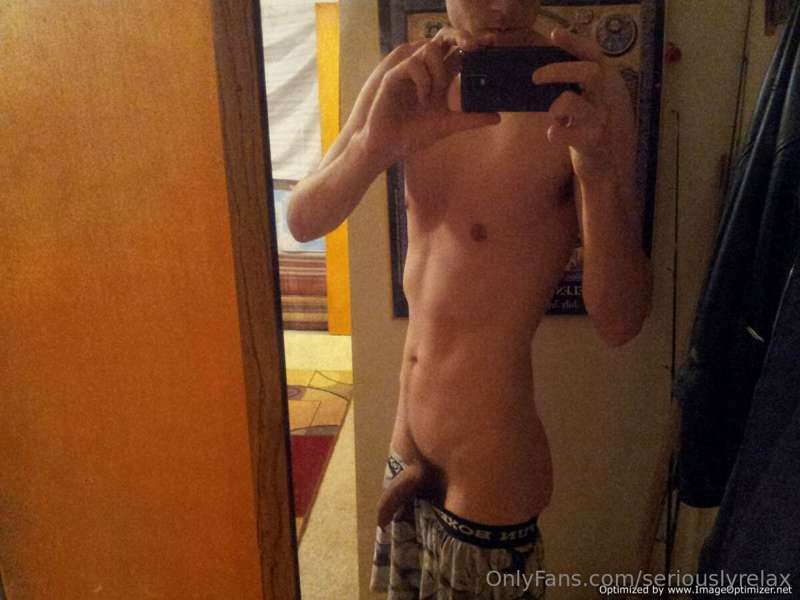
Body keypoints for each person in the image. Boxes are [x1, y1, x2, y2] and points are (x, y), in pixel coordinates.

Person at [286, 0, 652, 597]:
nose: (503, 5)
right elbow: (303, 220)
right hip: (405, 446)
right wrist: (372, 147)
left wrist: (598, 171)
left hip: (490, 467)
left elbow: (620, 322)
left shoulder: (587, 95)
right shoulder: (406, 72)